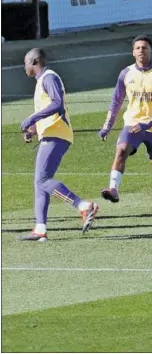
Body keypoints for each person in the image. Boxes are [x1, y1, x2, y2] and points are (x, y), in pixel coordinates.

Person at [19, 48, 100, 241]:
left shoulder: (49, 77)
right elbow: (49, 110)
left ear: (34, 62)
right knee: (40, 183)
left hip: (57, 135)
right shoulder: (41, 82)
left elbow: (57, 104)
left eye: (26, 63)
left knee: (43, 180)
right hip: (51, 133)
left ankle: (83, 205)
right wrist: (33, 130)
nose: (24, 68)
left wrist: (32, 118)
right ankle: (40, 229)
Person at [99, 36, 152, 226]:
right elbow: (116, 101)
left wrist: (148, 123)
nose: (141, 50)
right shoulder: (126, 73)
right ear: (133, 52)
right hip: (132, 124)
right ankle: (113, 189)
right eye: (138, 48)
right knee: (121, 149)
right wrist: (107, 126)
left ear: (150, 51)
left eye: (145, 47)